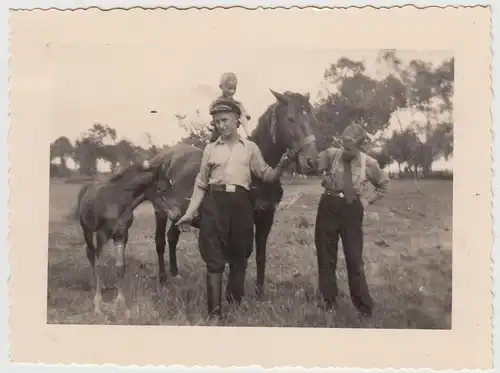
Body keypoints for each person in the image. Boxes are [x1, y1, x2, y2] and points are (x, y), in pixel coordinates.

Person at [176, 97, 291, 321]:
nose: (221, 125)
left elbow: (265, 174)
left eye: (225, 120)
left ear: (237, 120)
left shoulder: (250, 148)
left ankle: (234, 304)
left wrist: (281, 167)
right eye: (217, 121)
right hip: (214, 203)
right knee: (214, 257)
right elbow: (201, 183)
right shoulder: (210, 149)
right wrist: (190, 213)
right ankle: (214, 314)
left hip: (241, 205)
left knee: (240, 255)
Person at [314, 122, 390, 317]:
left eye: (351, 145)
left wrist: (365, 201)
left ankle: (364, 306)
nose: (346, 148)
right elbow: (312, 165)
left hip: (351, 210)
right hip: (329, 205)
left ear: (360, 145)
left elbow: (383, 184)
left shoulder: (368, 163)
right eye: (344, 142)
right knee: (325, 255)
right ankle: (329, 301)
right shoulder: (331, 154)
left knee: (354, 258)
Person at [208, 72, 252, 143]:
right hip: (218, 136)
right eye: (229, 88)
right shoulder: (216, 103)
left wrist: (248, 134)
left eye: (234, 88)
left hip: (232, 137)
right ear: (221, 87)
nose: (232, 91)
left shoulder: (237, 105)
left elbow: (244, 119)